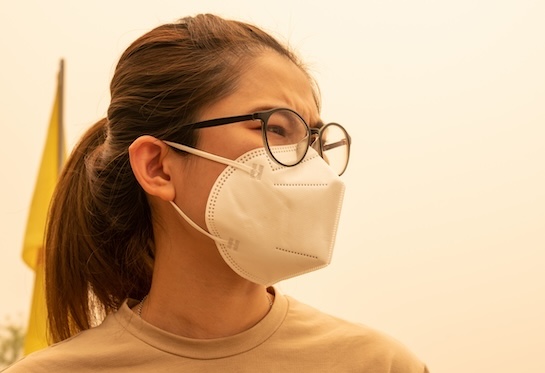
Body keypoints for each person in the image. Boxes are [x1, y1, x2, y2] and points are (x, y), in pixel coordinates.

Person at [4, 14, 428, 372]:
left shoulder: (377, 364)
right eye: (277, 129)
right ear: (157, 166)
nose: (310, 165)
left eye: (313, 140)